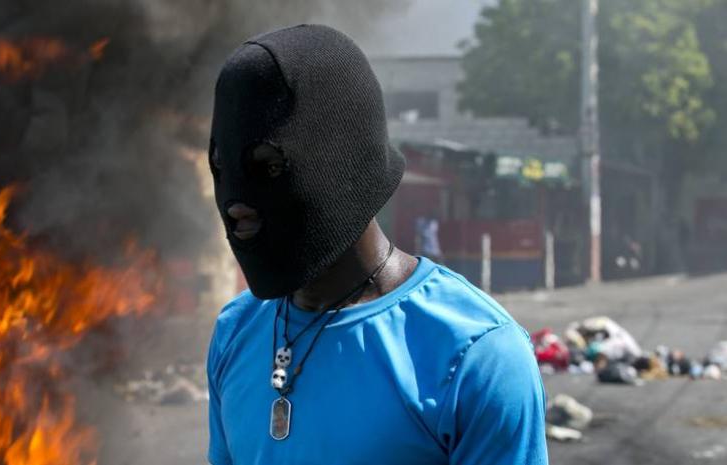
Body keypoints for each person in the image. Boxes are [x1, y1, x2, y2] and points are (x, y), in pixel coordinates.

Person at [206, 25, 547, 465]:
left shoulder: (476, 356)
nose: (236, 204)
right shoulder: (236, 331)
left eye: (267, 166)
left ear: (342, 160)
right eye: (219, 166)